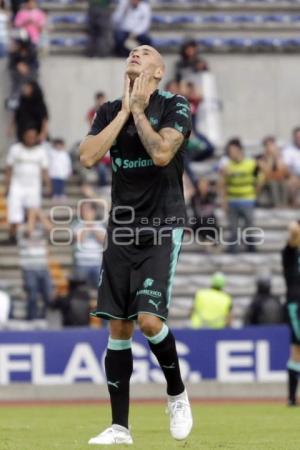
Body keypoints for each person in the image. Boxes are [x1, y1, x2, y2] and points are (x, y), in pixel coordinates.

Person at [80, 45, 193, 444]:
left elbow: (162, 153)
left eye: (145, 53)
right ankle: (120, 427)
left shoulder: (176, 105)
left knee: (148, 320)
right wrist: (127, 111)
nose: (136, 54)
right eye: (132, 51)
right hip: (122, 230)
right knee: (119, 326)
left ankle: (177, 393)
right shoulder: (110, 111)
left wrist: (142, 112)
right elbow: (88, 156)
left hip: (163, 224)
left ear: (158, 71)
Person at [5, 127, 51, 240]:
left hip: (33, 186)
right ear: (24, 136)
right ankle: (12, 235)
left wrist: (49, 185)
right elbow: (9, 168)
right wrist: (7, 185)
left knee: (33, 209)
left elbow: (45, 170)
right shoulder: (15, 149)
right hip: (17, 185)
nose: (30, 139)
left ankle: (31, 232)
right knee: (14, 212)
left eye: (33, 137)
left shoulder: (41, 151)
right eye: (28, 136)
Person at [219, 138, 258, 253]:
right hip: (232, 200)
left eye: (233, 151)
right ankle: (233, 249)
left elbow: (259, 179)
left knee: (249, 225)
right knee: (233, 227)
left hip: (247, 199)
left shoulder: (251, 163)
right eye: (229, 152)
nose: (231, 154)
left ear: (240, 150)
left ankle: (251, 247)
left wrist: (255, 193)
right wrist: (224, 201)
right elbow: (222, 185)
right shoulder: (227, 166)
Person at [17, 208, 53, 320]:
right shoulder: (22, 228)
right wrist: (32, 215)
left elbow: (51, 229)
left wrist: (41, 215)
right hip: (29, 268)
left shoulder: (42, 227)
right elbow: (29, 231)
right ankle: (32, 319)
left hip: (43, 267)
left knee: (48, 295)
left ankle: (45, 318)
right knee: (32, 296)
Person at [282, 221, 300, 406]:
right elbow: (294, 233)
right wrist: (295, 228)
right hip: (297, 304)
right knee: (297, 349)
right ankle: (291, 397)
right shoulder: (290, 253)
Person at [73, 202, 106, 288]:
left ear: (94, 212)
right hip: (81, 263)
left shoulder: (100, 225)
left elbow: (103, 240)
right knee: (80, 291)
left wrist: (91, 225)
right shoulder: (77, 225)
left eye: (88, 210)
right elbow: (79, 239)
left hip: (97, 263)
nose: (85, 212)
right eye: (83, 210)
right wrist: (87, 225)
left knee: (100, 290)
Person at [257, 136, 288, 207]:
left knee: (284, 182)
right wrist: (270, 158)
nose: (270, 148)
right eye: (268, 145)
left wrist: (277, 158)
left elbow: (283, 172)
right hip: (264, 181)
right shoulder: (260, 158)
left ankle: (284, 204)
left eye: (272, 145)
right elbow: (267, 173)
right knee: (273, 182)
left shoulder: (280, 157)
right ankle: (277, 205)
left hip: (278, 179)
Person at [190, 177, 218, 244]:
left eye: (205, 185)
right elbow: (196, 211)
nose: (203, 187)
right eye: (201, 185)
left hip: (210, 219)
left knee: (210, 222)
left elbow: (211, 209)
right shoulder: (194, 197)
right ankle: (207, 240)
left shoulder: (211, 195)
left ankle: (210, 241)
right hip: (198, 220)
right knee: (203, 221)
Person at [282, 127, 300, 207]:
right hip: (294, 176)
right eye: (297, 137)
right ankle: (294, 205)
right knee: (292, 182)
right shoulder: (288, 150)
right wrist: (291, 175)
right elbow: (285, 167)